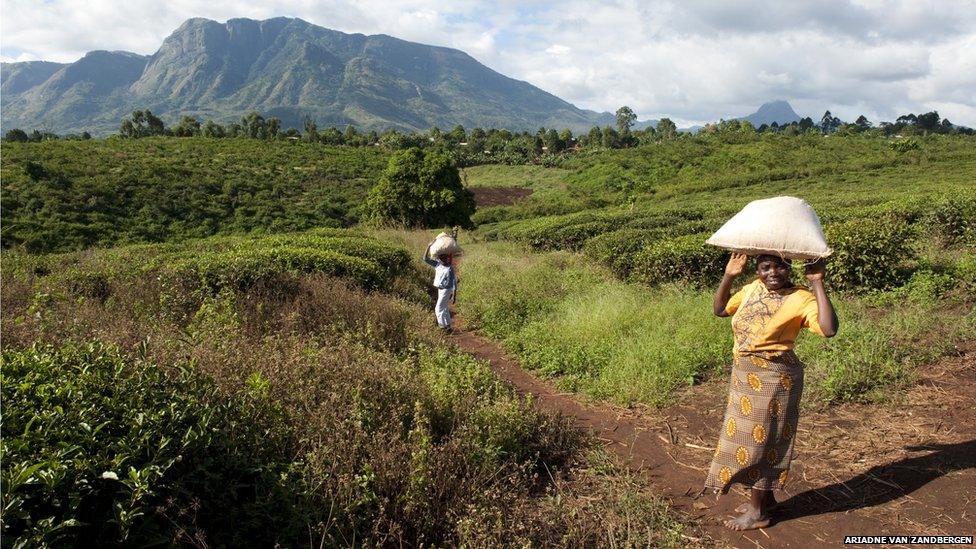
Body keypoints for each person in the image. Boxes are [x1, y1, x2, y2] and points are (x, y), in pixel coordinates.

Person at [704, 252, 839, 530]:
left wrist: (817, 282)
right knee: (754, 437)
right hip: (744, 375)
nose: (773, 272)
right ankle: (767, 500)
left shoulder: (801, 298)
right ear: (757, 269)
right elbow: (719, 310)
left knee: (764, 440)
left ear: (790, 269)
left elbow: (828, 329)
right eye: (766, 267)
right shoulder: (752, 288)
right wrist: (729, 274)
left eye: (781, 266)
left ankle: (758, 512)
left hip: (775, 378)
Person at [423, 242, 457, 333]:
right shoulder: (437, 265)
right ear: (439, 258)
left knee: (438, 308)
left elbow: (454, 282)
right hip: (440, 289)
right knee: (444, 307)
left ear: (447, 258)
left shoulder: (449, 268)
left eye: (445, 258)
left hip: (446, 289)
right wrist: (428, 246)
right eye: (442, 258)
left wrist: (454, 295)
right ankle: (448, 326)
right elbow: (425, 259)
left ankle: (443, 327)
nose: (443, 259)